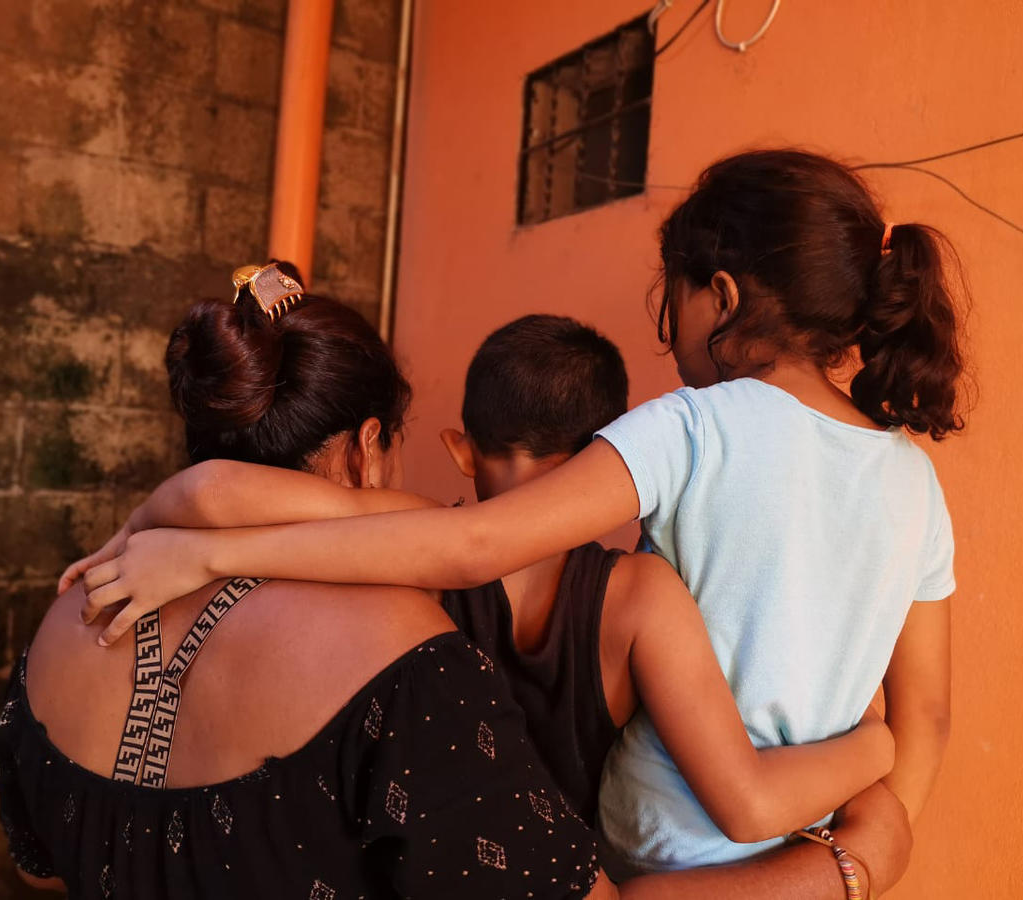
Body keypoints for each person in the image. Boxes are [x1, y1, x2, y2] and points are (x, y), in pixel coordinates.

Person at [81, 148, 959, 878]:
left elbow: (468, 541)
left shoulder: (697, 426)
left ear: (720, 298)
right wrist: (861, 845)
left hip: (645, 849)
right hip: (801, 849)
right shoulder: (915, 483)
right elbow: (924, 722)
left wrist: (203, 553)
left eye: (674, 297)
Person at [66, 314, 893, 844]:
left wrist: (160, 534)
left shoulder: (413, 543)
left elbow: (216, 490)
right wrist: (877, 748)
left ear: (463, 449)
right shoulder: (643, 599)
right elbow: (743, 797)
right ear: (607, 461)